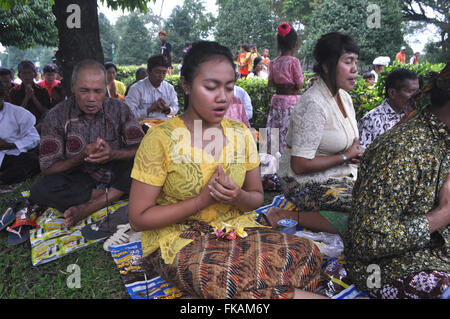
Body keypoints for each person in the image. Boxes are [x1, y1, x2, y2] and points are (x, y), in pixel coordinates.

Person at [128, 40, 324, 299]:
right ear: (186, 85)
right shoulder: (161, 139)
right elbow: (139, 218)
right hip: (180, 239)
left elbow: (254, 196)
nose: (222, 97)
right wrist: (202, 201)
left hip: (236, 229)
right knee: (226, 280)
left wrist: (237, 197)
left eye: (229, 87)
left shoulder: (240, 133)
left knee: (307, 253)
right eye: (210, 87)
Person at [344, 61, 450, 299]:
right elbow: (368, 241)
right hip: (389, 268)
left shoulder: (441, 139)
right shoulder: (400, 150)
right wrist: (443, 214)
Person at [266, 32, 363, 236]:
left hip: (338, 172)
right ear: (327, 66)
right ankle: (285, 214)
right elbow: (299, 165)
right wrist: (345, 156)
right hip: (301, 181)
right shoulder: (313, 104)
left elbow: (349, 142)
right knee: (366, 209)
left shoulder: (344, 97)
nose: (355, 69)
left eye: (356, 61)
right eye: (348, 61)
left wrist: (353, 154)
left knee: (381, 200)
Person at [29, 59, 145, 227]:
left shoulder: (119, 109)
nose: (91, 98)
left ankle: (90, 206)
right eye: (84, 90)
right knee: (40, 189)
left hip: (116, 170)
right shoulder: (56, 116)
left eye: (98, 91)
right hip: (80, 179)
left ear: (106, 87)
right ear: (73, 86)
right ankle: (115, 194)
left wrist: (113, 154)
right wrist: (81, 156)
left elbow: (141, 146)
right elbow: (48, 169)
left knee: (146, 160)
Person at [265, 23, 305, 155]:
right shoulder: (294, 62)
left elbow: (270, 83)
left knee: (275, 134)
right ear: (295, 44)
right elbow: (299, 84)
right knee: (290, 135)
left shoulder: (273, 62)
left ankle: (272, 163)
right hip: (292, 103)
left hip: (277, 102)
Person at [358, 68, 419, 150]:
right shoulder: (371, 120)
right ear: (392, 93)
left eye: (417, 92)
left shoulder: (412, 116)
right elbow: (360, 156)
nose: (416, 96)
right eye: (411, 91)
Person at [0, 81, 40, 185]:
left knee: (34, 161)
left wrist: (11, 145)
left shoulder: (17, 113)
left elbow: (34, 138)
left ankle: (3, 178)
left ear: (3, 96)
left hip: (12, 155)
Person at [124, 54, 179, 126]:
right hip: (142, 128)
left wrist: (167, 109)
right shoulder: (136, 89)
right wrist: (149, 110)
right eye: (158, 72)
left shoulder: (169, 88)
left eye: (164, 72)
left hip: (164, 126)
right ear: (148, 72)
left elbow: (176, 107)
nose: (161, 76)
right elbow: (128, 114)